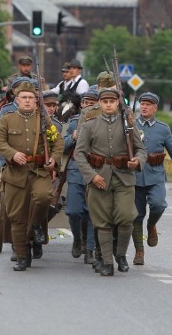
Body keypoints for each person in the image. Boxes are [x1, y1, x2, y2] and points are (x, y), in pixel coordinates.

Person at [74, 88, 147, 276]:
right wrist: (91, 176)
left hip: (124, 177)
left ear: (117, 104)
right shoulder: (89, 125)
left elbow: (141, 150)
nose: (108, 104)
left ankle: (120, 254)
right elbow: (79, 154)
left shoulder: (129, 125)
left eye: (111, 101)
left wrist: (137, 161)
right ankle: (107, 262)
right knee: (102, 222)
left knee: (126, 218)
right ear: (99, 103)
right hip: (99, 178)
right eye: (104, 101)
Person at [0, 81, 64, 271]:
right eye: (23, 98)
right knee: (17, 217)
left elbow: (58, 142)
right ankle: (23, 257)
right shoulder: (7, 119)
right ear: (17, 100)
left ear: (36, 101)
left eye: (31, 98)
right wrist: (11, 154)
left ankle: (35, 226)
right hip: (15, 174)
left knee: (43, 198)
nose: (27, 101)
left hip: (39, 171)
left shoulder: (44, 120)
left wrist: (54, 160)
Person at [133, 92, 172, 266]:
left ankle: (151, 225)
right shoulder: (131, 126)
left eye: (148, 104)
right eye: (142, 103)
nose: (144, 107)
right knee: (136, 215)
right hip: (135, 176)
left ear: (155, 108)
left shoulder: (163, 128)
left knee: (158, 205)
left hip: (155, 174)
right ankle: (139, 252)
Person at [62, 89, 99, 264]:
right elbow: (62, 146)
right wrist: (73, 137)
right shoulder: (74, 123)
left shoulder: (103, 124)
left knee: (92, 213)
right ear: (81, 104)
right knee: (73, 211)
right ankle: (77, 238)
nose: (89, 106)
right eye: (86, 103)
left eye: (93, 103)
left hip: (97, 173)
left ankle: (90, 249)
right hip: (76, 172)